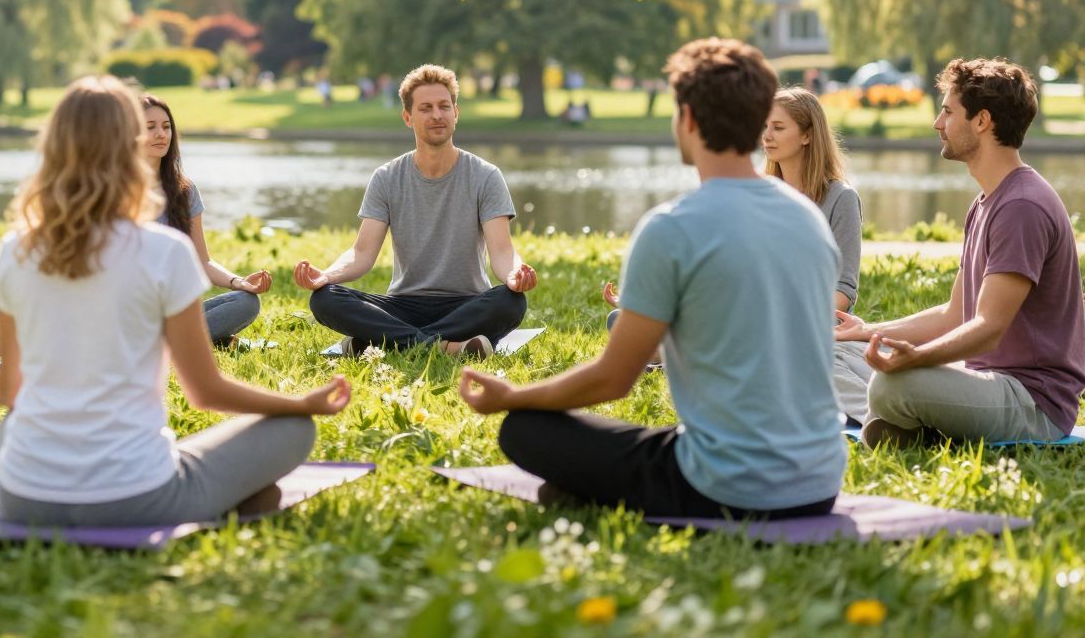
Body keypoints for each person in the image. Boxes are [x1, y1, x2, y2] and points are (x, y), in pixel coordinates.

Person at [460, 39, 845, 519]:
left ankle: (594, 490)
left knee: (523, 429)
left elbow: (614, 378)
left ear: (687, 120)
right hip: (821, 480)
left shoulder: (671, 227)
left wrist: (514, 396)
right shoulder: (808, 218)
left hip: (731, 488)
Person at [0, 76, 350, 527]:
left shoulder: (14, 250)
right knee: (293, 428)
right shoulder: (163, 251)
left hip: (25, 499)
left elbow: (8, 390)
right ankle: (225, 496)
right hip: (136, 497)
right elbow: (205, 392)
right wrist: (301, 405)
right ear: (129, 145)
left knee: (13, 426)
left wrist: (0, 391)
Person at [837, 58, 1085, 447]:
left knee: (890, 386)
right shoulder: (987, 201)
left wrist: (915, 360)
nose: (938, 123)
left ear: (982, 121)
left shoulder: (1022, 206)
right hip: (989, 381)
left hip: (1031, 403)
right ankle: (910, 425)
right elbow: (954, 314)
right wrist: (868, 331)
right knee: (845, 354)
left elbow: (987, 328)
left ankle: (908, 425)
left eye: (948, 111)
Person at [295, 64, 536, 357]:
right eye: (426, 108)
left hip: (466, 304)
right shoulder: (386, 177)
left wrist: (514, 274)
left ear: (456, 113)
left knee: (511, 302)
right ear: (408, 118)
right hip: (402, 306)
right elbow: (361, 253)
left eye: (444, 106)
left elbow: (502, 251)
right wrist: (327, 276)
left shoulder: (486, 176)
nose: (437, 115)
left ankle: (386, 344)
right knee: (325, 299)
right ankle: (445, 347)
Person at [763, 86, 871, 425]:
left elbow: (843, 292)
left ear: (808, 135)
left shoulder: (841, 199)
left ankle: (879, 416)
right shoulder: (763, 198)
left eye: (778, 128)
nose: (767, 136)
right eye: (765, 127)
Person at [142, 95, 266, 345]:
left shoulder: (185, 191)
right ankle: (190, 342)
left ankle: (176, 341)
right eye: (150, 127)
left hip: (174, 313)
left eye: (166, 127)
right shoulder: (113, 191)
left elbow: (202, 261)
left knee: (246, 302)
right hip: (131, 312)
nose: (161, 134)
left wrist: (238, 281)